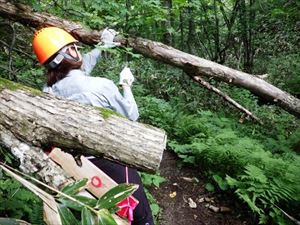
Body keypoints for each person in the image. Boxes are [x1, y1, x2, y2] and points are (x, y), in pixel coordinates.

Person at [32, 26, 154, 225]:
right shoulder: (102, 86)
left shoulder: (47, 92)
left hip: (74, 169)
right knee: (140, 218)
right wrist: (126, 85)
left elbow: (77, 72)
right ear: (68, 54)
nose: (78, 51)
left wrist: (102, 46)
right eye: (74, 48)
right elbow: (131, 115)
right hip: (111, 166)